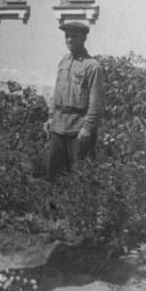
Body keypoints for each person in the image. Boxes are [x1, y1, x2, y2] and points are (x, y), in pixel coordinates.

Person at [45, 21, 104, 180]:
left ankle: (77, 205)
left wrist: (87, 127)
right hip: (58, 126)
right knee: (54, 173)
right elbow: (57, 90)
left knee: (79, 175)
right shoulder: (64, 61)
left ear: (84, 38)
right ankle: (52, 204)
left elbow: (96, 101)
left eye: (74, 36)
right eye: (67, 36)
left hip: (78, 129)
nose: (69, 40)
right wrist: (51, 116)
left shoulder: (92, 66)